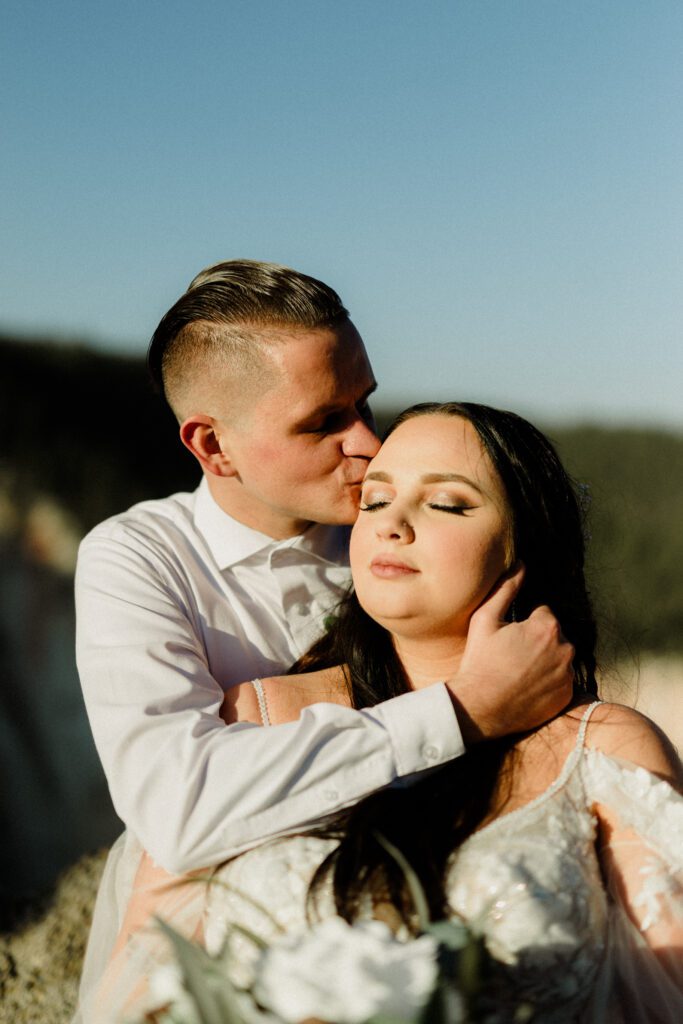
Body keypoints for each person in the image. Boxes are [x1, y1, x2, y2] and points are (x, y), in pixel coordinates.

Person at [92, 403, 682, 1024]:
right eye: (374, 501)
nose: (392, 524)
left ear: (523, 546)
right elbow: (143, 985)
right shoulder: (260, 715)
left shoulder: (605, 747)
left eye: (448, 503)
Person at [75, 263, 573, 994]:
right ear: (213, 447)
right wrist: (460, 706)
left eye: (364, 404)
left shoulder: (407, 540)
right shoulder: (137, 558)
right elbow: (176, 810)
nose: (369, 444)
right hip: (215, 957)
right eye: (323, 423)